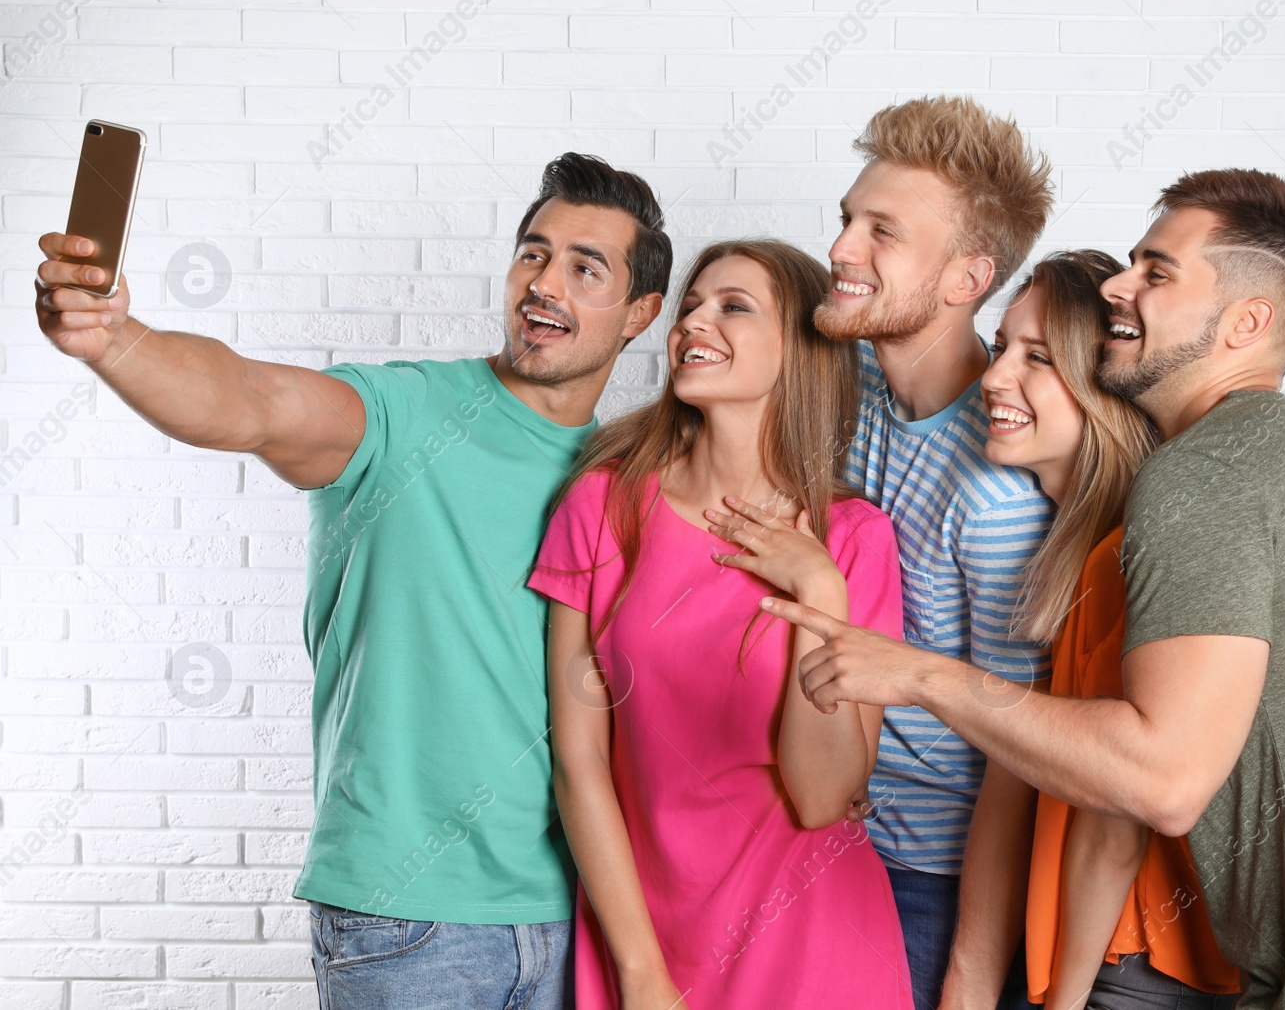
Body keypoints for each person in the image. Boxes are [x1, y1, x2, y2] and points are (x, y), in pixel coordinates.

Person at [763, 168, 1285, 1008]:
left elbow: (1159, 779)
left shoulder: (1203, 480)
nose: (1120, 288)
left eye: (1157, 272)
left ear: (1247, 322)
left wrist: (917, 674)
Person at [33, 152, 671, 1009]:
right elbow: (249, 398)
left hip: (574, 916)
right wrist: (116, 340)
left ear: (642, 312)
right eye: (533, 252)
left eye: (584, 268)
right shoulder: (404, 415)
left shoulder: (627, 478)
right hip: (405, 923)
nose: (543, 283)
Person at [531, 239, 914, 1010]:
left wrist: (819, 593)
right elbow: (580, 762)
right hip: (649, 945)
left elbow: (821, 797)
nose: (694, 322)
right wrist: (639, 972)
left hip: (818, 945)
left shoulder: (854, 540)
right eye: (691, 306)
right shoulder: (603, 508)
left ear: (799, 351)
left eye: (733, 306)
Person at [813, 94, 1056, 1010]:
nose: (841, 249)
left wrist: (966, 978)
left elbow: (1015, 751)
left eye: (883, 231)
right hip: (823, 850)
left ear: (966, 279)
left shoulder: (995, 490)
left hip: (931, 888)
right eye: (846, 219)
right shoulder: (853, 393)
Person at [979, 251, 1237, 1009]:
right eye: (999, 350)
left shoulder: (1119, 554)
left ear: (1103, 384)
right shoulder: (1091, 542)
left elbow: (1113, 817)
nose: (994, 379)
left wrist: (1061, 997)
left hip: (1120, 965)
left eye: (1038, 358)